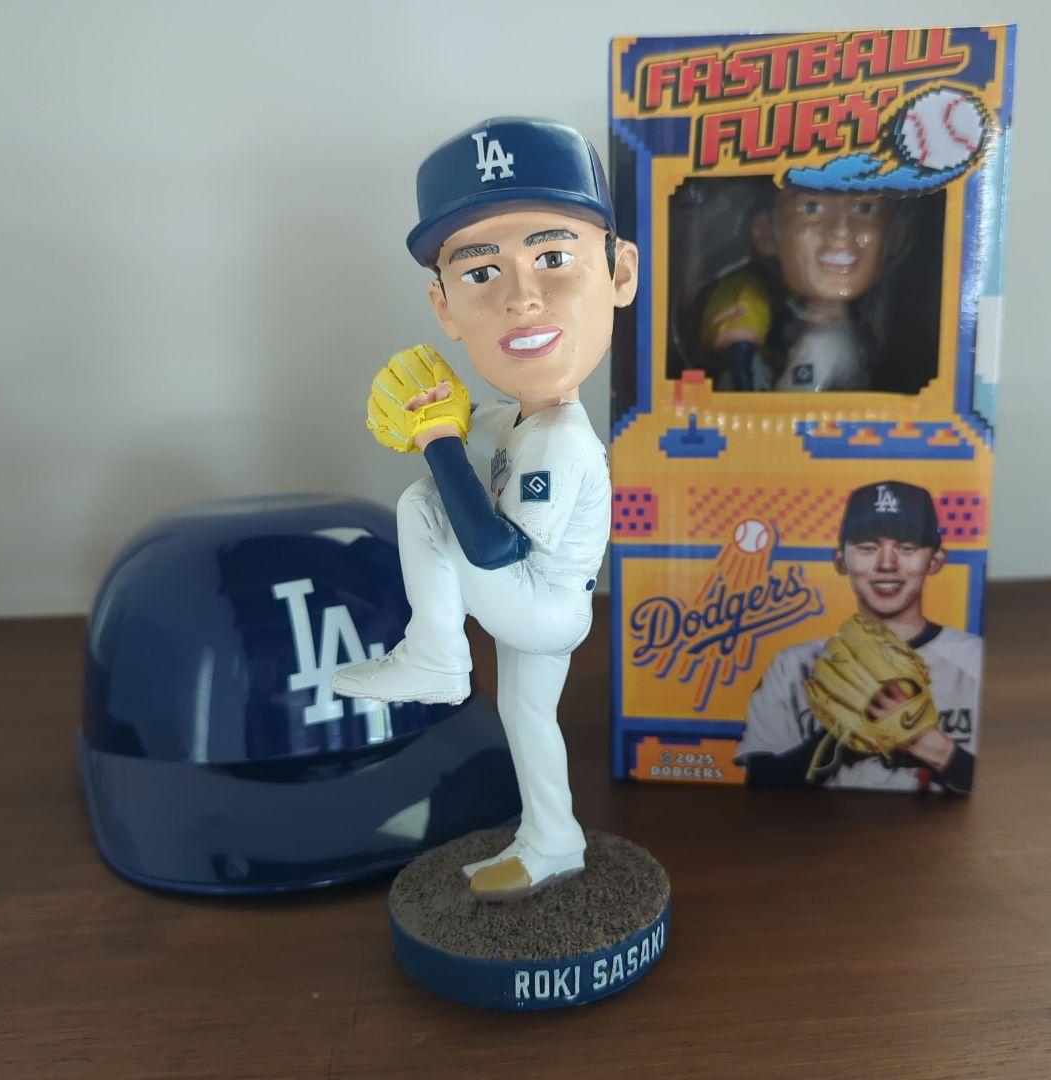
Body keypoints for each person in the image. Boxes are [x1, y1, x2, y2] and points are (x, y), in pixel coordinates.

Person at [331, 118, 638, 899]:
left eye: (553, 258)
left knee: (424, 504)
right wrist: (441, 414)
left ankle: (435, 657)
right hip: (541, 604)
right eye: (480, 272)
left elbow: (492, 549)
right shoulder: (525, 419)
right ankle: (552, 841)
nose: (521, 296)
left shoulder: (561, 440)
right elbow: (480, 425)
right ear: (442, 304)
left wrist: (436, 443)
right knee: (527, 720)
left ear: (620, 272)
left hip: (542, 603)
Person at [735, 481, 980, 792]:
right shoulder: (792, 665)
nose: (887, 564)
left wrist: (932, 747)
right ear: (840, 560)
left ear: (935, 561)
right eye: (868, 547)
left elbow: (1003, 782)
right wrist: (839, 739)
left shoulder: (976, 659)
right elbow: (759, 783)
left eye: (906, 547)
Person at [703, 186, 892, 392]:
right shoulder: (823, 333)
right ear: (766, 234)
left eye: (865, 208)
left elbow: (788, 405)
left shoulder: (822, 345)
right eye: (812, 207)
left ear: (892, 235)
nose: (841, 230)